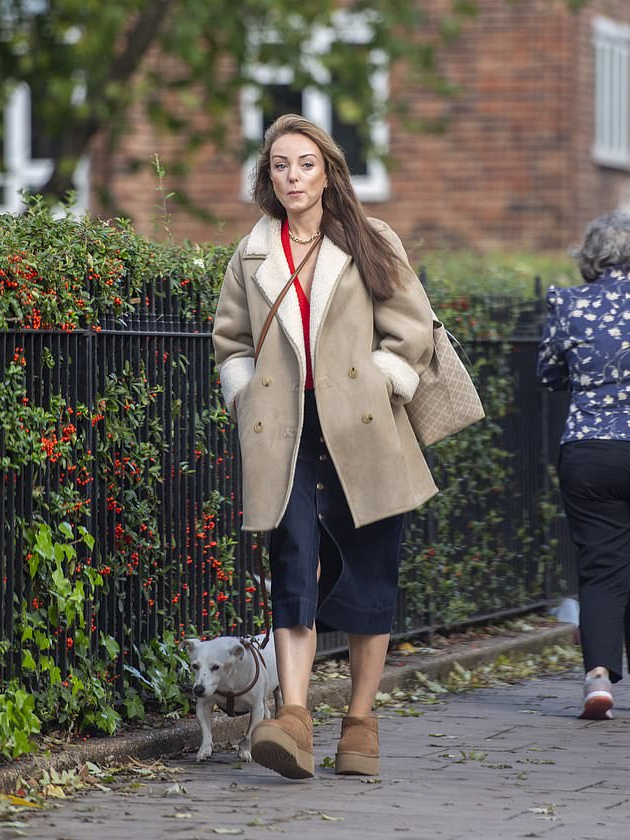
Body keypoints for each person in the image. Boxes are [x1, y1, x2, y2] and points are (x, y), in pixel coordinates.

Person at [212, 114, 438, 778]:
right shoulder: (252, 252)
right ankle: (295, 718)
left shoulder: (371, 240)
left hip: (364, 431)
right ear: (268, 176)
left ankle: (360, 724)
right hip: (284, 433)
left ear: (328, 170)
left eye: (305, 164)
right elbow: (229, 340)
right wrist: (246, 395)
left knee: (370, 573)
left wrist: (383, 381)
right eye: (281, 165)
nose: (293, 177)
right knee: (294, 565)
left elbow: (413, 330)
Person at [537, 211, 630, 720]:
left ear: (590, 258)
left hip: (590, 450)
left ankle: (598, 679)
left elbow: (548, 372)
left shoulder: (569, 304)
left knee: (602, 566)